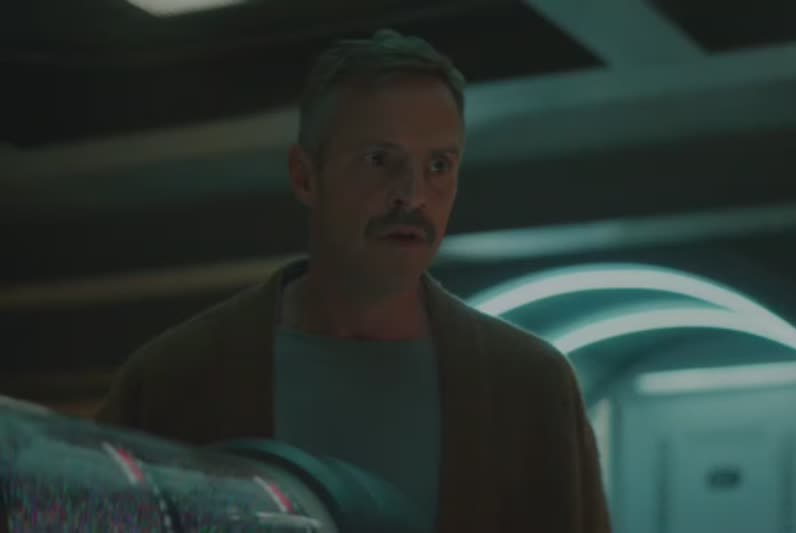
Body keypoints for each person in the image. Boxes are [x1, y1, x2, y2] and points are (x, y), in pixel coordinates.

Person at [95, 29, 610, 533]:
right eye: (379, 160)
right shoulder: (174, 380)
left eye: (438, 165)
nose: (413, 194)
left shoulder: (529, 388)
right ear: (305, 176)